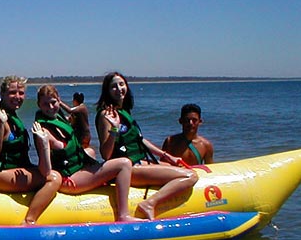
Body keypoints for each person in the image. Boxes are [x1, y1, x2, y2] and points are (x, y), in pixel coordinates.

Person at [95, 72, 198, 220]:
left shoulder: (123, 111)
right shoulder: (106, 115)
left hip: (138, 162)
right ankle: (149, 203)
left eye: (121, 84)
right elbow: (106, 154)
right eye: (113, 86)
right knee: (190, 176)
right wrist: (114, 129)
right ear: (107, 91)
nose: (119, 89)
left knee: (178, 169)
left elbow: (140, 140)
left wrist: (167, 156)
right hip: (126, 170)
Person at [35, 85, 140, 222]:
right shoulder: (42, 131)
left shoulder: (58, 118)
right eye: (45, 104)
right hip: (69, 180)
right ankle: (123, 215)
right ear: (39, 105)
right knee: (124, 163)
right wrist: (44, 144)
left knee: (90, 151)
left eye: (53, 102)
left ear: (59, 100)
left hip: (76, 169)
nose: (50, 107)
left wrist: (114, 127)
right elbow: (45, 171)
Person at [0, 75, 62, 225]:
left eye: (21, 93)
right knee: (54, 178)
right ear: (2, 94)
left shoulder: (11, 115)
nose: (17, 97)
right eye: (12, 93)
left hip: (9, 172)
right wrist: (1, 125)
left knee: (50, 171)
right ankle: (29, 220)